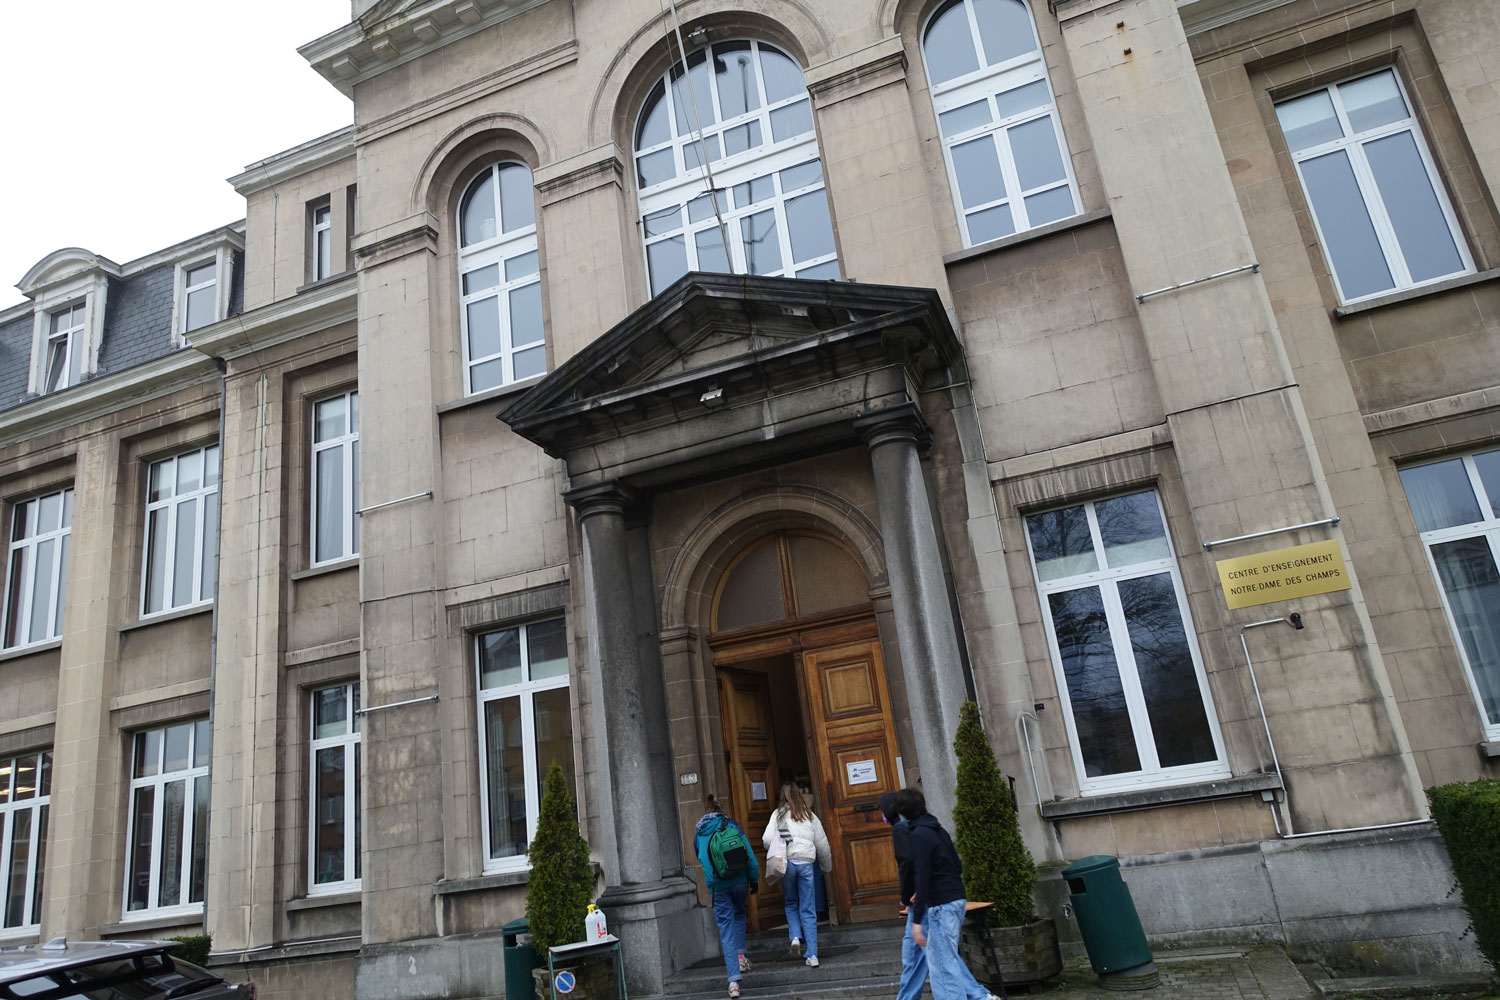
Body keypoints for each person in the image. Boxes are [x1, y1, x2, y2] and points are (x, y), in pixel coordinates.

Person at [899, 788, 1001, 1000]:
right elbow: (957, 866)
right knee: (948, 960)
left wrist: (917, 919)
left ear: (904, 812)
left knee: (943, 968)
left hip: (941, 905)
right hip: (956, 899)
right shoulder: (938, 830)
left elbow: (922, 875)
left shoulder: (918, 835)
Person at [695, 793, 760, 999]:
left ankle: (733, 982)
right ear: (721, 810)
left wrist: (711, 883)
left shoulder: (700, 833)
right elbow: (749, 855)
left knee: (726, 929)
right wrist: (754, 879)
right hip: (739, 880)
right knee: (740, 913)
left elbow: (702, 860)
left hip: (718, 885)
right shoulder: (733, 826)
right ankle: (741, 956)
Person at [761, 781, 831, 967]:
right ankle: (813, 955)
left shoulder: (778, 815)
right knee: (808, 908)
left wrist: (779, 841)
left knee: (791, 902)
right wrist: (826, 866)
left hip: (788, 864)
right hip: (806, 864)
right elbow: (822, 844)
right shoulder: (809, 815)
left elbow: (767, 840)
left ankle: (794, 938)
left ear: (782, 797)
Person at [879, 789, 928, 1000]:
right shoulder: (917, 826)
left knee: (937, 957)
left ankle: (978, 994)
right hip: (920, 897)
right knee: (912, 957)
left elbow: (907, 863)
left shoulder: (900, 829)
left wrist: (906, 895)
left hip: (919, 900)